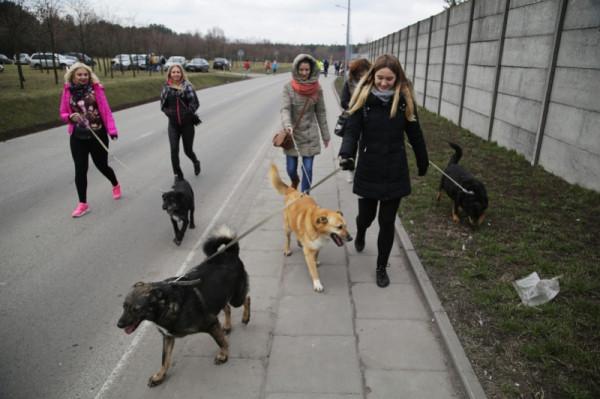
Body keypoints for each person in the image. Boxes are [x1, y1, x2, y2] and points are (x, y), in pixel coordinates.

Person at [338, 54, 429, 288]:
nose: (384, 83)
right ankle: (360, 232)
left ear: (397, 78)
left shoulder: (403, 101)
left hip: (394, 170)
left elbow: (415, 133)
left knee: (387, 222)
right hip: (369, 168)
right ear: (373, 76)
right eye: (380, 78)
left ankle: (381, 267)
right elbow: (351, 131)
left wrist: (423, 160)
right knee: (367, 218)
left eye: (389, 79)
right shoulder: (363, 98)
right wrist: (347, 154)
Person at [59, 62, 121, 218]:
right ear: (73, 76)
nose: (83, 77)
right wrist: (70, 117)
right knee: (80, 170)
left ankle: (115, 183)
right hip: (77, 137)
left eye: (85, 74)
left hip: (97, 134)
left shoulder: (96, 89)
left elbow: (106, 110)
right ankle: (83, 204)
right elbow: (63, 113)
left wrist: (112, 130)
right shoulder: (68, 91)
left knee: (102, 166)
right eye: (79, 75)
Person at [280, 53, 330, 193]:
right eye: (301, 70)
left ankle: (304, 196)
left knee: (307, 169)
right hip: (293, 134)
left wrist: (325, 136)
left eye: (307, 70)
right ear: (296, 69)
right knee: (291, 169)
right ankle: (295, 180)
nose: (304, 73)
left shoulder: (317, 89)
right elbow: (285, 109)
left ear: (312, 69)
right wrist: (287, 125)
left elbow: (321, 113)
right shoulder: (288, 88)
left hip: (309, 135)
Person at [160, 64, 201, 182]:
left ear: (181, 73)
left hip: (187, 124)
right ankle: (178, 176)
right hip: (173, 125)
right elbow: (163, 106)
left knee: (187, 150)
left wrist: (188, 112)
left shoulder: (188, 87)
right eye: (173, 72)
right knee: (174, 150)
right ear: (170, 74)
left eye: (178, 72)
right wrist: (170, 113)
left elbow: (195, 103)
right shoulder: (166, 88)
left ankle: (195, 161)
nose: (176, 74)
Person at [340, 58, 372, 183]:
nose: (362, 76)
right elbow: (343, 101)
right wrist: (354, 106)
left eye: (365, 73)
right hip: (353, 117)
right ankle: (350, 171)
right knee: (351, 146)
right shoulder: (349, 83)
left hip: (369, 120)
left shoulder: (373, 84)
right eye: (359, 73)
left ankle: (364, 170)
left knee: (365, 146)